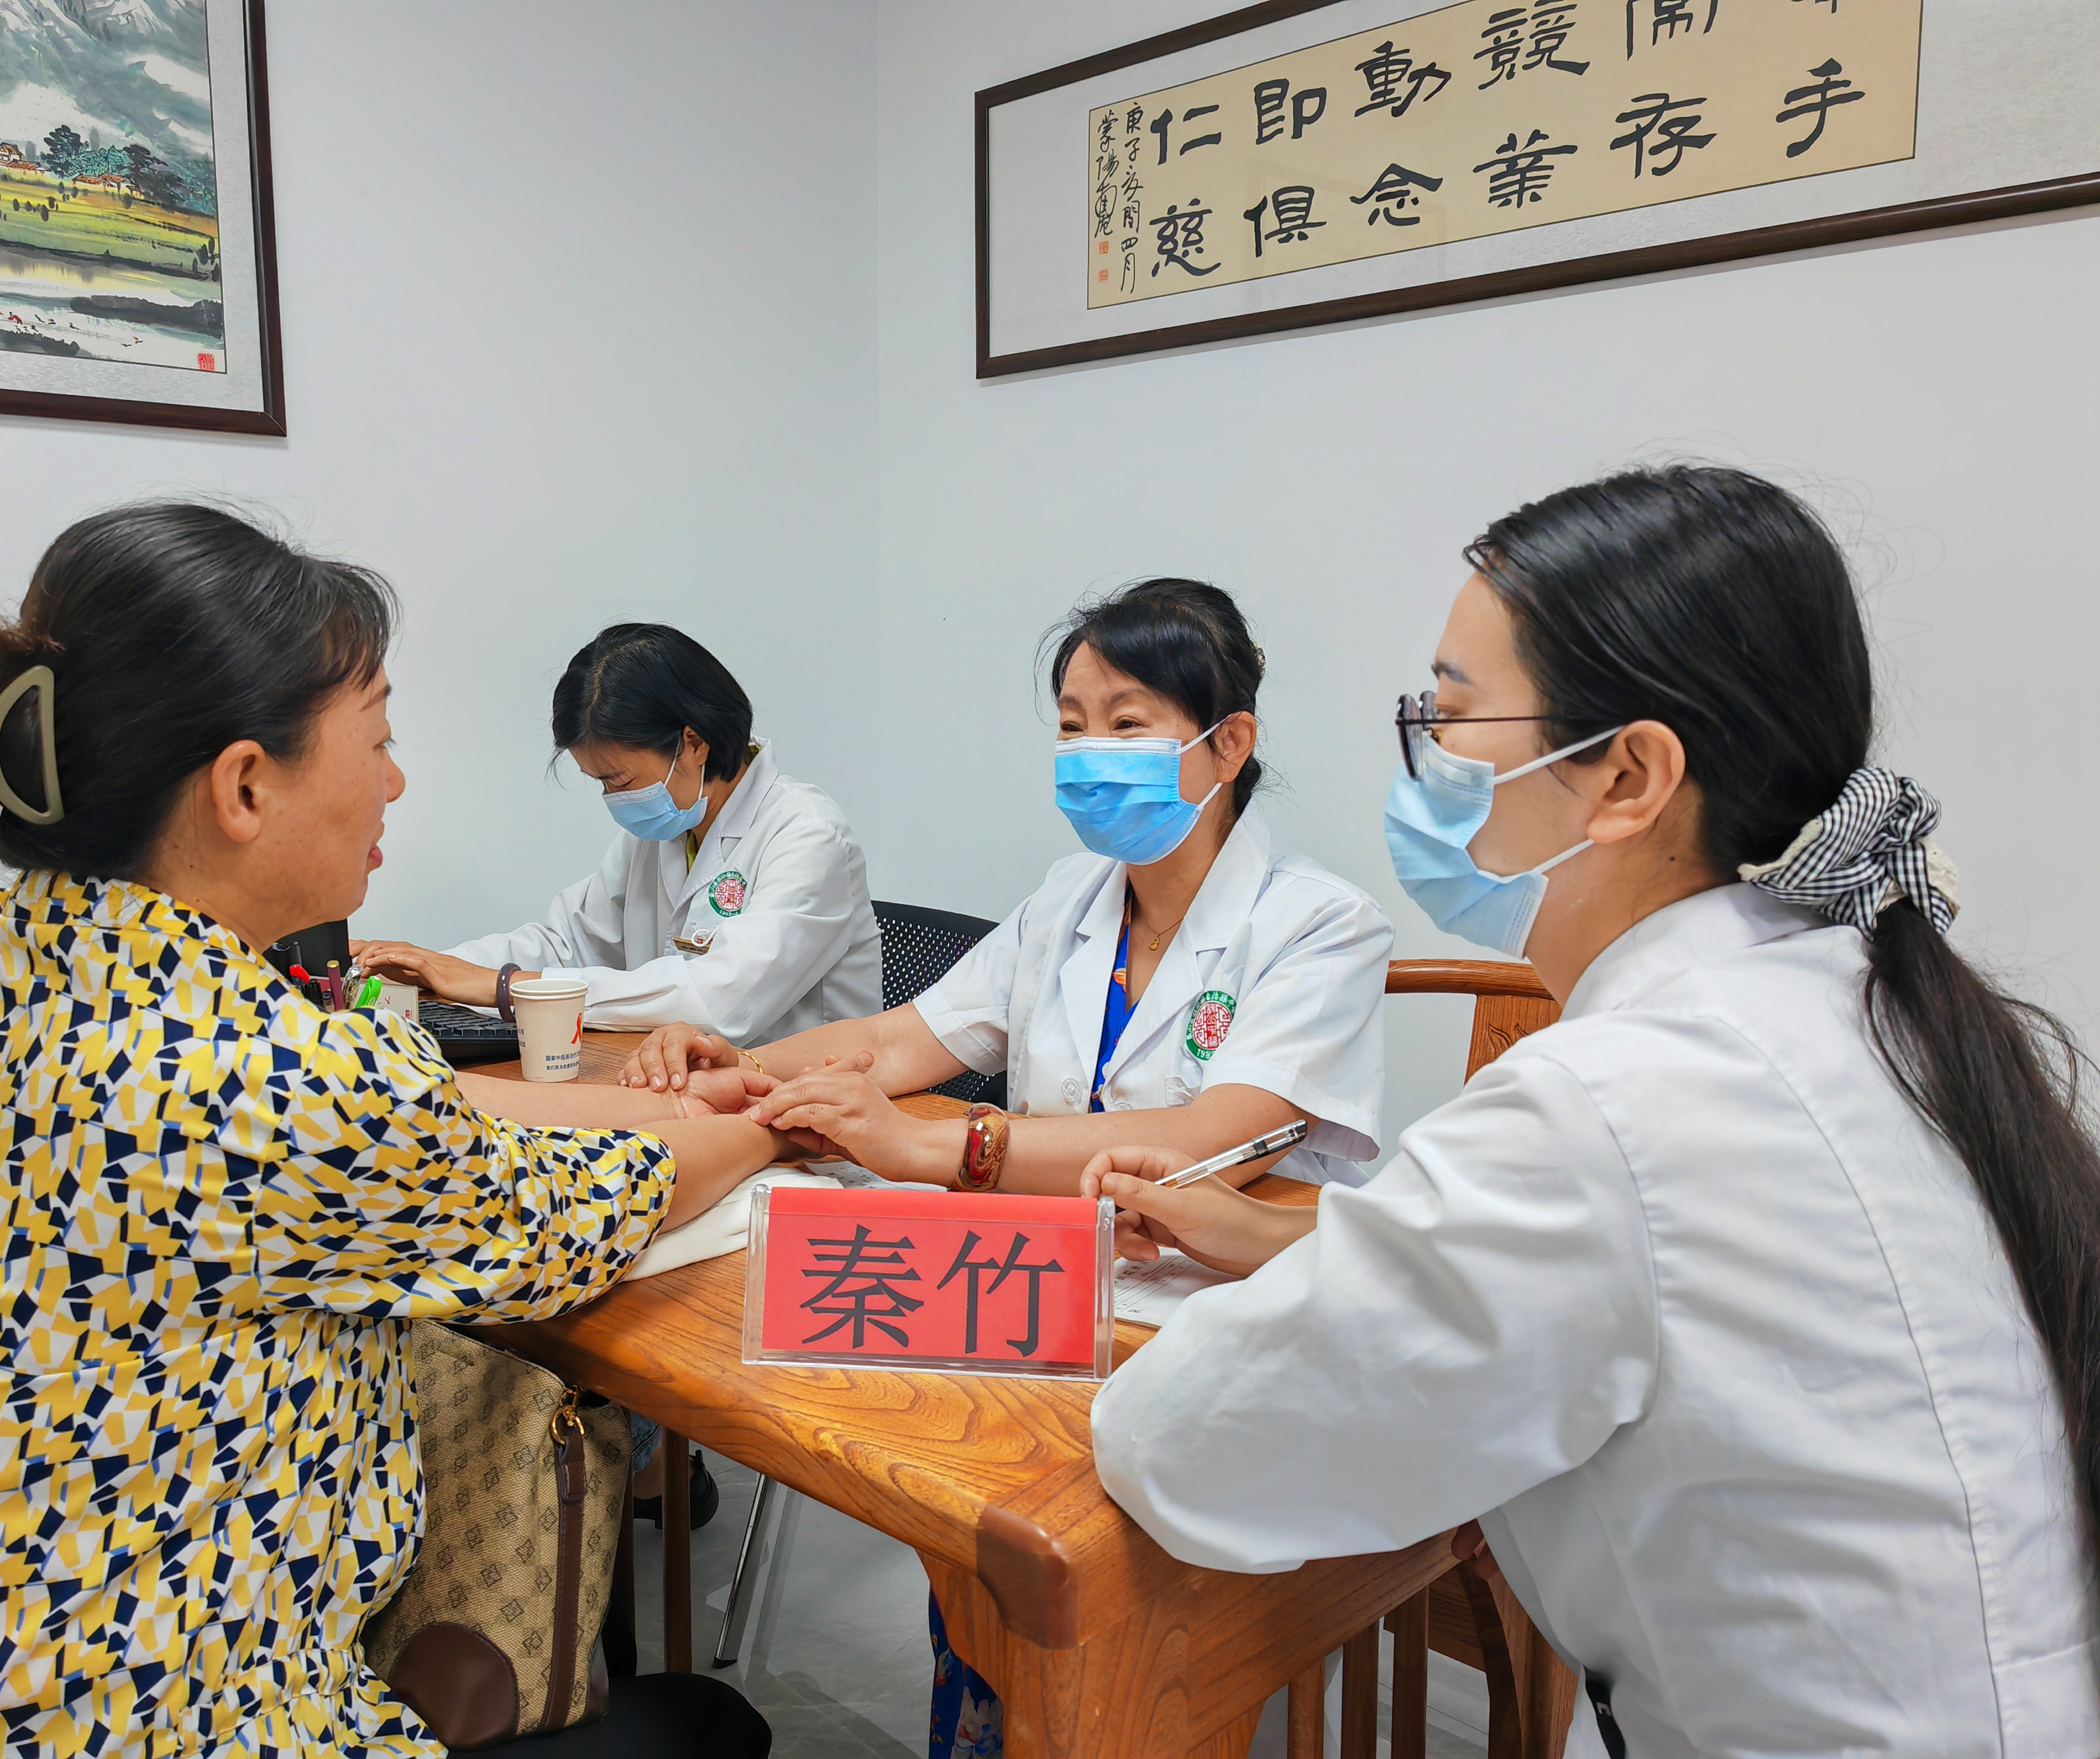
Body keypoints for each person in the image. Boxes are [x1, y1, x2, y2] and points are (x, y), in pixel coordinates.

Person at [1087, 467, 2100, 1757]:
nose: (1426, 760)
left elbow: (1188, 1445)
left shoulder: (1610, 1102)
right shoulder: (1866, 1007)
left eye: (1450, 715)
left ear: (1626, 777)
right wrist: (1289, 1245)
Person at [0, 506, 775, 1759]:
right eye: (379, 738)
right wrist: (766, 1123)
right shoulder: (261, 1079)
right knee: (703, 1728)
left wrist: (668, 1097)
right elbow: (582, 1200)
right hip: (133, 1722)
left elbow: (411, 1096)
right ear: (244, 785)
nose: (395, 780)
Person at [623, 578, 1393, 1759]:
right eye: (1071, 725)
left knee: (1105, 1604)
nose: (1087, 754)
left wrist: (940, 1146)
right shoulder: (1067, 899)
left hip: (1212, 1309)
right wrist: (746, 1061)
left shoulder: (1318, 924)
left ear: (1227, 742)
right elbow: (904, 1039)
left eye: (1126, 723)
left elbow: (1210, 1141)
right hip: (1041, 1288)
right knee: (954, 1512)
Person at [353, 622, 879, 1045]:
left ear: (693, 743)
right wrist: (429, 967)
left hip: (808, 1113)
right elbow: (570, 943)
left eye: (620, 781)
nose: (614, 799)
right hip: (692, 1084)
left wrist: (504, 987)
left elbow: (722, 1001)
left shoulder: (808, 837)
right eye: (600, 783)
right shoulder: (669, 826)